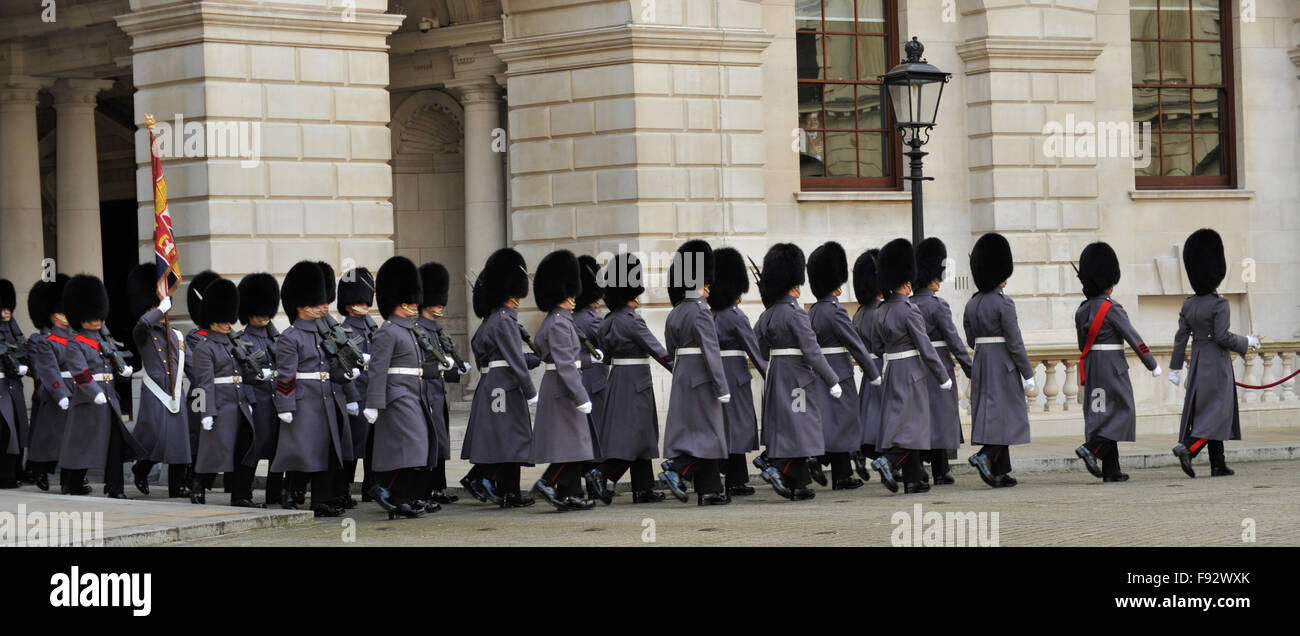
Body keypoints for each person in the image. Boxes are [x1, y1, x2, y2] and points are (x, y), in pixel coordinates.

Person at [753, 243, 841, 500]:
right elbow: (812, 351)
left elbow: (756, 346)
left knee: (788, 429)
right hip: (798, 380)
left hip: (777, 374)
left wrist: (769, 368)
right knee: (802, 427)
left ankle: (798, 484)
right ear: (794, 284)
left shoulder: (767, 315)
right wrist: (832, 379)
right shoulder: (796, 314)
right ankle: (776, 467)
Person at [1169, 229, 1258, 478]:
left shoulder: (1189, 304)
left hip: (1197, 364)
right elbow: (1223, 337)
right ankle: (1189, 448)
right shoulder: (1220, 304)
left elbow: (1180, 339)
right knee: (1218, 411)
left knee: (1207, 411)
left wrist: (1175, 368)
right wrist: (1248, 341)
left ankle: (1218, 464)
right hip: (1217, 364)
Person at [585, 253, 673, 503]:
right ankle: (601, 474)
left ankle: (643, 489)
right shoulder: (633, 321)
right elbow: (659, 352)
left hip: (617, 379)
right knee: (636, 436)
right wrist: (680, 371)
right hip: (636, 382)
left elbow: (606, 356)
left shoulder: (608, 322)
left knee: (637, 435)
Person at [271, 261, 356, 517]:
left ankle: (321, 500)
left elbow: (332, 366)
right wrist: (285, 405)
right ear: (302, 304)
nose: (324, 306)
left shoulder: (324, 334)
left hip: (327, 399)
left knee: (328, 451)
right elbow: (285, 375)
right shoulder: (290, 336)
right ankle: (289, 491)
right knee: (304, 452)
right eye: (318, 302)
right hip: (305, 401)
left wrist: (349, 372)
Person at [868, 239, 951, 494]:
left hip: (890, 370)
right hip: (912, 372)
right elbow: (925, 347)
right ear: (906, 282)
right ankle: (888, 461)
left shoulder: (880, 311)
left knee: (900, 424)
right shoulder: (909, 310)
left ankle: (914, 479)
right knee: (914, 425)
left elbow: (876, 345)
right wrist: (942, 376)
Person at [365, 255, 443, 519]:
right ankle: (386, 489)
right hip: (397, 394)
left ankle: (403, 496)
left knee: (418, 446)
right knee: (411, 443)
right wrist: (373, 403)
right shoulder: (388, 330)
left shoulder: (410, 330)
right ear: (398, 301)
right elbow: (378, 368)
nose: (414, 304)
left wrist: (441, 368)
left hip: (414, 391)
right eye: (409, 299)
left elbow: (416, 366)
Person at [461, 248, 537, 508]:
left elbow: (501, 357)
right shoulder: (504, 320)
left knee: (508, 438)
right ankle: (478, 477)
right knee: (507, 437)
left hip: (496, 383)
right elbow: (514, 358)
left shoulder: (492, 321)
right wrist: (531, 391)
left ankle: (510, 492)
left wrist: (538, 359)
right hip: (504, 388)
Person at [57, 274, 142, 498]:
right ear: (80, 317)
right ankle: (72, 483)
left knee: (114, 444)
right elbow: (80, 372)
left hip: (109, 399)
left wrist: (123, 372)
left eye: (98, 315)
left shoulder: (105, 341)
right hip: (88, 401)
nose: (96, 320)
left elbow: (111, 370)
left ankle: (115, 488)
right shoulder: (76, 344)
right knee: (83, 445)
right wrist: (95, 393)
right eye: (91, 316)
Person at [660, 240, 731, 506]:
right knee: (711, 432)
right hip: (702, 377)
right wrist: (722, 387)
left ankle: (709, 490)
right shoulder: (701, 312)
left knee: (696, 432)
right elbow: (711, 352)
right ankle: (677, 468)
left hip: (683, 375)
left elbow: (670, 349)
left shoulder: (676, 312)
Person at [529, 250, 601, 511]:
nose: (574, 298)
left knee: (573, 445)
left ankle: (570, 494)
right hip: (564, 389)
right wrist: (581, 397)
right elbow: (565, 365)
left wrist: (592, 360)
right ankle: (547, 482)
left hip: (562, 386)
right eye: (569, 293)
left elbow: (570, 359)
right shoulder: (559, 323)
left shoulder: (560, 320)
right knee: (571, 444)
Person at [807, 241, 880, 489]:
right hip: (840, 372)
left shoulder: (814, 311)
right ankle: (841, 476)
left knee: (831, 424)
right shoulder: (836, 312)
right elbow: (856, 345)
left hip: (821, 373)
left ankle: (837, 470)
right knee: (846, 424)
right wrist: (872, 372)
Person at [964, 233, 1035, 488]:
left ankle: (1000, 471)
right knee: (1006, 416)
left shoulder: (972, 304)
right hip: (1003, 364)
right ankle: (984, 456)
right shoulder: (1004, 304)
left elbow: (970, 339)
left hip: (982, 361)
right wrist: (1027, 373)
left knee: (992, 417)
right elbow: (1015, 342)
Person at [190, 279, 264, 508]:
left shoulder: (235, 344)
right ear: (211, 320)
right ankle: (198, 486)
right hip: (219, 406)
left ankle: (242, 495)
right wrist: (206, 413)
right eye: (222, 320)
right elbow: (203, 383)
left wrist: (261, 375)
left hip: (240, 404)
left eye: (228, 319)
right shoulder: (205, 347)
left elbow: (243, 375)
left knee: (246, 450)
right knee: (213, 452)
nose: (226, 324)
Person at [125, 264, 191, 498]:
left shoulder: (176, 335)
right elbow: (143, 323)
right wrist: (160, 307)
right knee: (155, 437)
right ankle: (141, 469)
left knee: (179, 442)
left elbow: (190, 364)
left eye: (160, 307)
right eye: (154, 307)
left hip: (174, 392)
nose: (159, 311)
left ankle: (177, 486)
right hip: (155, 391)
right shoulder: (142, 332)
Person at [911, 238, 972, 484]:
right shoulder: (937, 305)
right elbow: (954, 340)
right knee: (940, 416)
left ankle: (927, 468)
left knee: (921, 416)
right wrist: (970, 368)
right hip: (939, 366)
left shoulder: (910, 303)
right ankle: (940, 470)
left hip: (916, 367)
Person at [708, 247, 767, 496]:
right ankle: (735, 480)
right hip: (735, 374)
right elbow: (754, 350)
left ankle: (735, 478)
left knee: (723, 426)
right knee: (739, 426)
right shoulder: (735, 317)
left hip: (714, 374)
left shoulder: (707, 315)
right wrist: (770, 375)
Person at [415, 262, 466, 507]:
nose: (440, 305)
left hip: (438, 393)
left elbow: (444, 366)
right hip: (424, 393)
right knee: (429, 442)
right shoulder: (417, 330)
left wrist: (457, 368)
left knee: (441, 442)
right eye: (436, 300)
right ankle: (425, 489)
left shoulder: (436, 329)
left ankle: (437, 487)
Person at [236, 273, 284, 503]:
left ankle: (275, 494)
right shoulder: (240, 339)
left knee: (278, 452)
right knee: (251, 452)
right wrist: (250, 400)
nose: (264, 316)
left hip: (277, 401)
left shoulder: (277, 339)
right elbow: (238, 374)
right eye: (259, 311)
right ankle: (242, 493)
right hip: (257, 402)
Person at [23, 275, 72, 491]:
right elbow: (40, 369)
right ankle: (40, 468)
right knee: (48, 438)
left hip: (72, 389)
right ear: (52, 315)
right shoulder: (39, 340)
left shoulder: (73, 338)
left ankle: (72, 475)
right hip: (50, 390)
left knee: (70, 437)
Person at [337, 267, 377, 502]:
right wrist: (351, 397)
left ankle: (370, 488)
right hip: (356, 392)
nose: (365, 304)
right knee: (351, 447)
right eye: (360, 301)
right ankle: (343, 490)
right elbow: (344, 367)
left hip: (372, 393)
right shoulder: (344, 331)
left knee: (374, 445)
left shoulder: (372, 328)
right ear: (350, 304)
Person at [572, 255, 608, 500]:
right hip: (594, 380)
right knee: (597, 435)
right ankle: (596, 484)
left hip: (579, 380)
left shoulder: (573, 317)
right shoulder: (591, 319)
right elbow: (608, 343)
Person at [850, 249, 884, 465]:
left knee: (868, 411)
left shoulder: (860, 313)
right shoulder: (881, 311)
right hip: (882, 365)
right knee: (881, 415)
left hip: (868, 367)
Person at [0, 279, 29, 488]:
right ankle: (6, 475)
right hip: (1, 386)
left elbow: (22, 350)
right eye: (3, 308)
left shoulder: (13, 328)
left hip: (14, 385)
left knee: (19, 430)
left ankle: (17, 471)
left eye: (8, 307)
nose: (7, 312)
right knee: (6, 431)